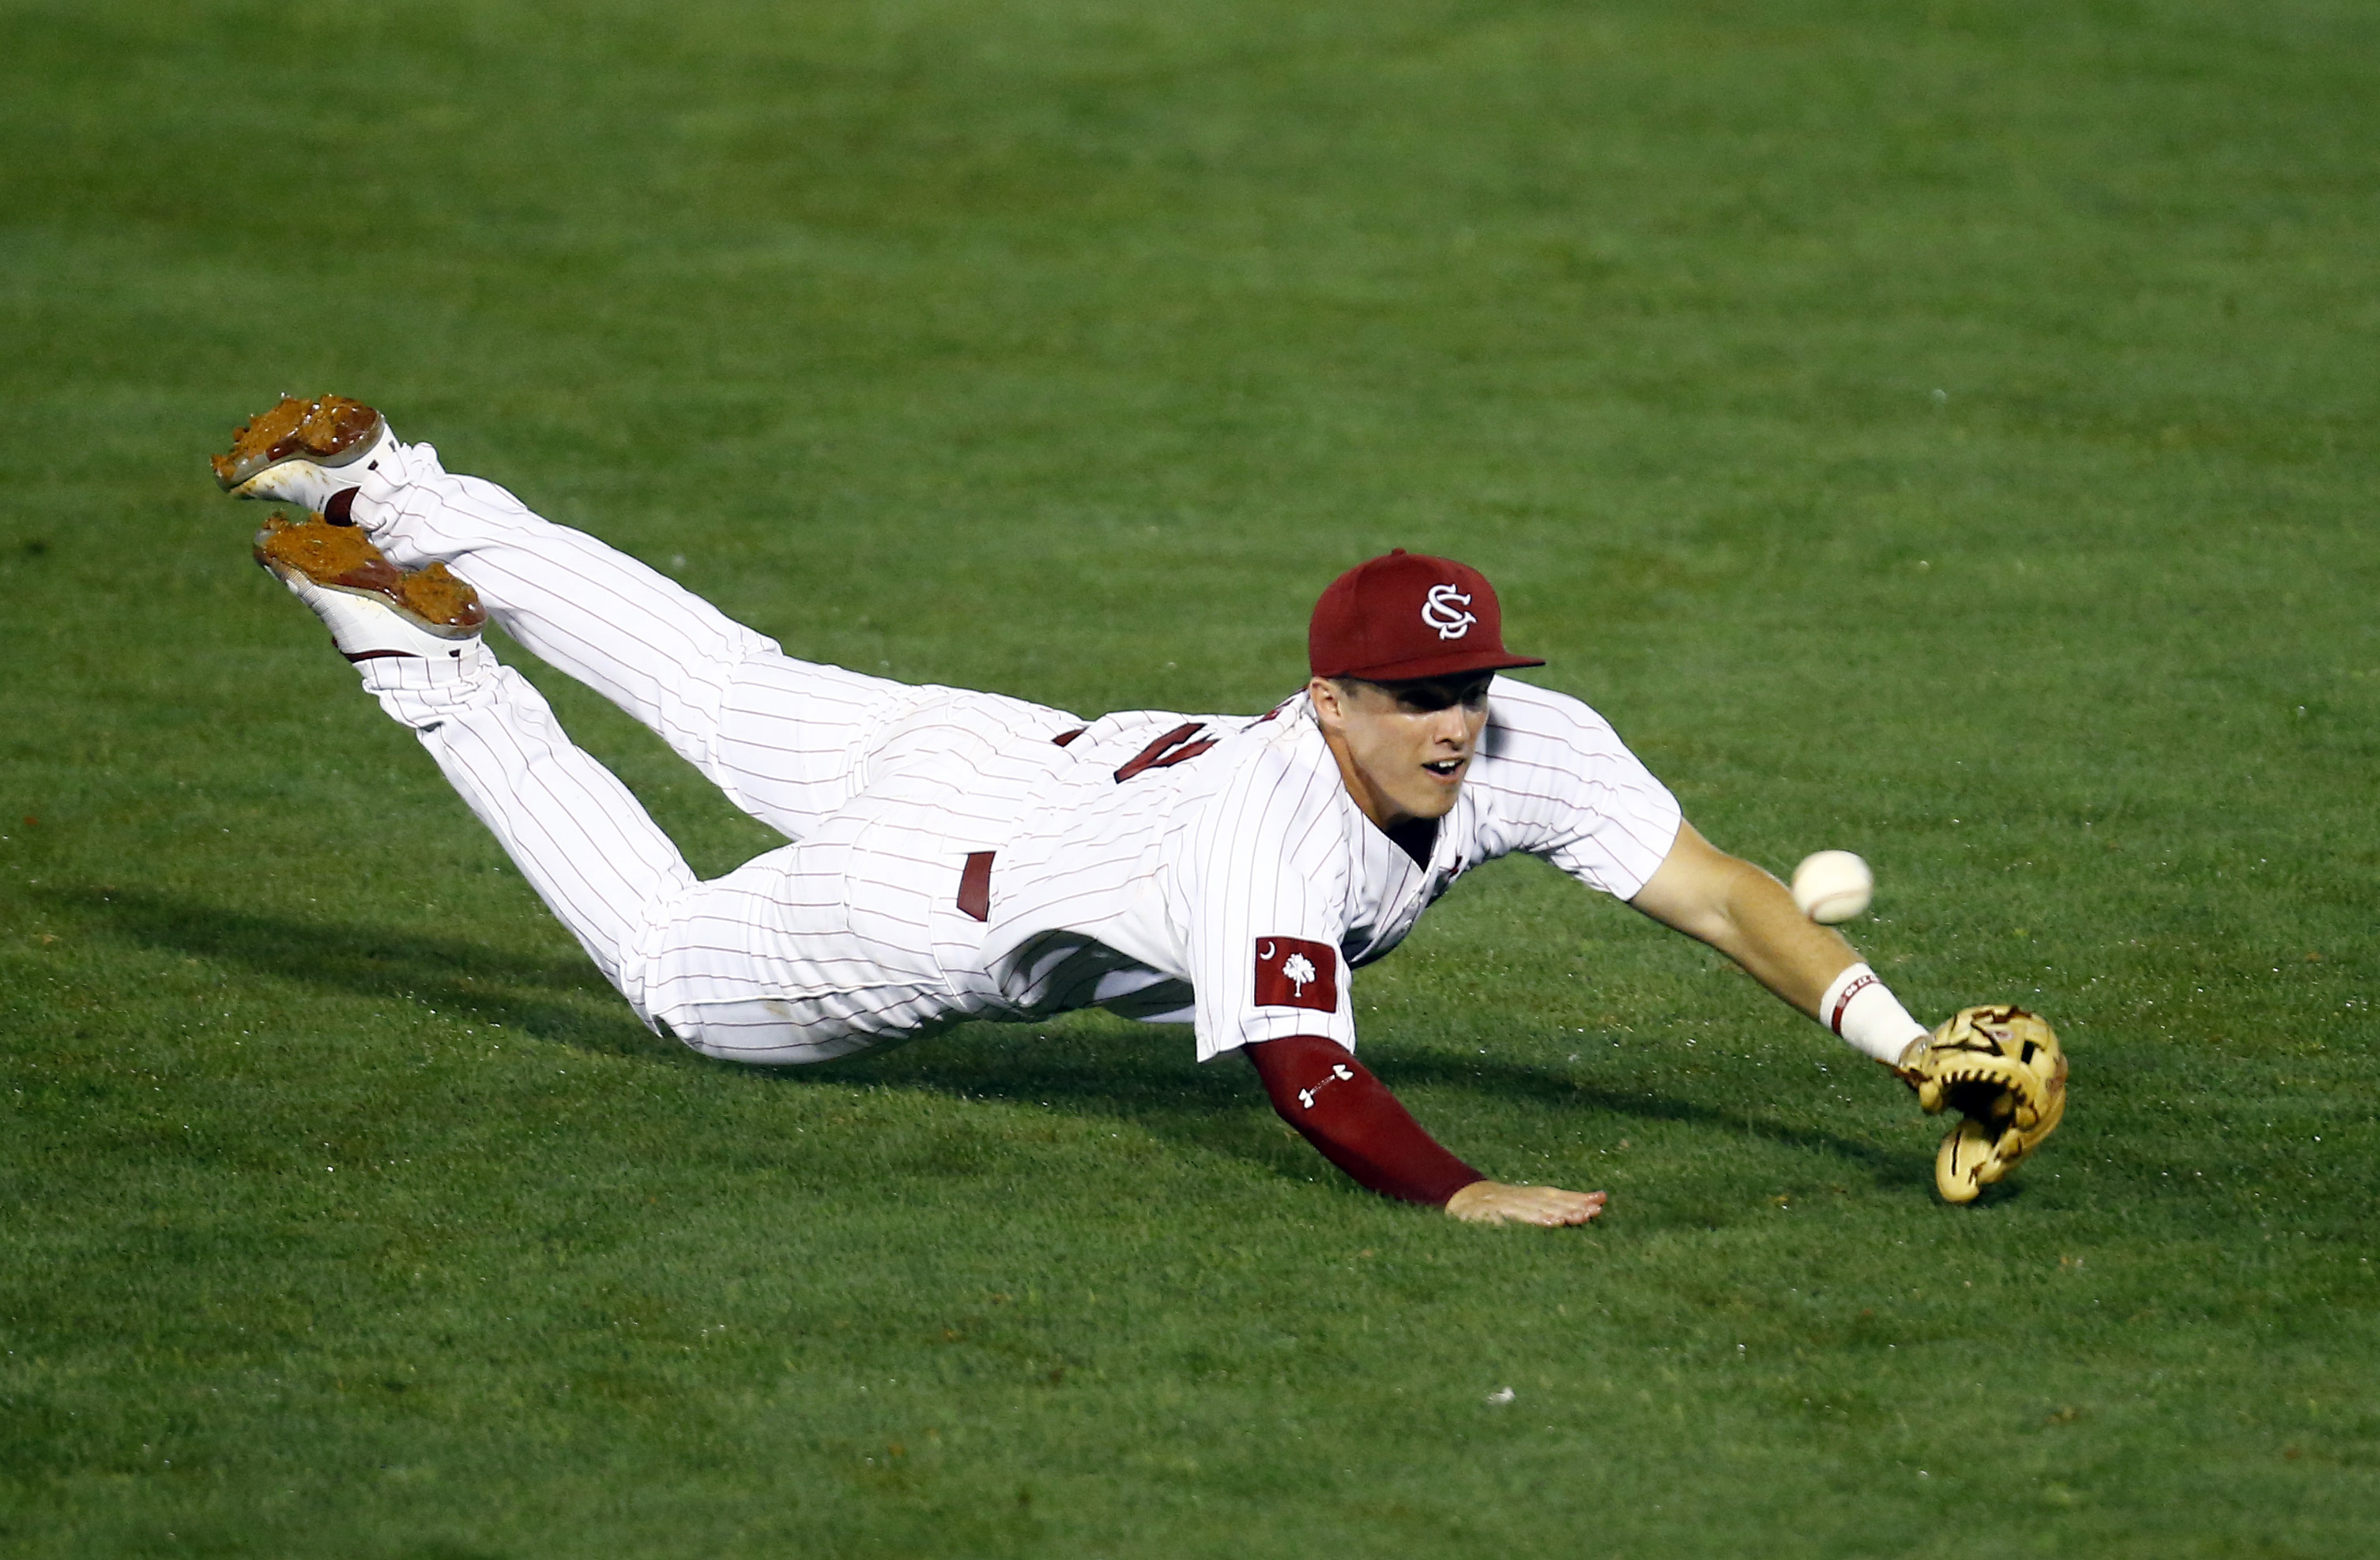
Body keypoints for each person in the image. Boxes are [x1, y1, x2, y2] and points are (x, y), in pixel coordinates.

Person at [211, 394, 1942, 1227]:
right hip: (922, 896)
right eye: (1413, 697)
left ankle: (387, 487)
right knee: (669, 970)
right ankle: (407, 637)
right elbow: (1311, 1073)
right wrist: (1461, 1192)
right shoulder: (1276, 826)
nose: (1452, 719)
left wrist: (1911, 1048)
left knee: (725, 685)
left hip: (981, 748)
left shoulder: (1522, 741)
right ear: (1322, 698)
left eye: (1470, 682)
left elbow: (1721, 893)